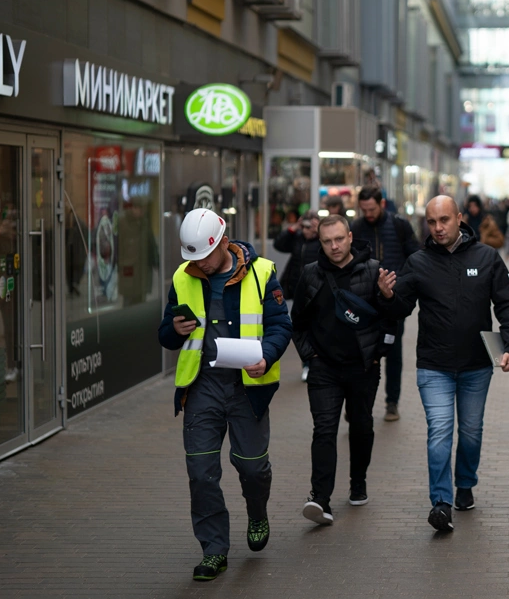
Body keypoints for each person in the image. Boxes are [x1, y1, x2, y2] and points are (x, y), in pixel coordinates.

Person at [158, 209, 292, 582]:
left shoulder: (262, 272)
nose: (198, 262)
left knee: (251, 466)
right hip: (202, 389)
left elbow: (281, 325)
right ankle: (214, 550)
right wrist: (175, 328)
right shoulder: (183, 278)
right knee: (201, 473)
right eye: (192, 256)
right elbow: (166, 335)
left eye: (204, 254)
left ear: (222, 241)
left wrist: (266, 356)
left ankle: (257, 512)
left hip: (247, 389)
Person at [380, 196, 509, 532]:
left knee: (471, 432)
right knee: (440, 431)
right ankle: (441, 503)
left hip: (476, 365)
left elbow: (507, 304)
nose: (438, 228)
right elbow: (400, 306)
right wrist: (387, 295)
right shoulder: (418, 261)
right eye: (431, 222)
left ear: (459, 218)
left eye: (444, 220)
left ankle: (465, 484)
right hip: (434, 365)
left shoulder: (486, 257)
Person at [289, 215, 398, 525]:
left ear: (350, 237)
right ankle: (320, 498)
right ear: (320, 243)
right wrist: (310, 356)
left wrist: (380, 352)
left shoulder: (374, 270)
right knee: (324, 429)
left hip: (363, 367)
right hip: (324, 369)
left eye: (339, 239)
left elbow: (391, 316)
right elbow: (297, 322)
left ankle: (358, 482)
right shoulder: (311, 274)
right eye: (327, 241)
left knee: (362, 426)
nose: (334, 246)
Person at [350, 185, 420, 422]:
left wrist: (403, 285)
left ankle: (392, 402)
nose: (368, 214)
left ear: (380, 204)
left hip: (393, 301)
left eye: (371, 209)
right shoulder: (356, 228)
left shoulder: (400, 226)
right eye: (364, 209)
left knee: (393, 352)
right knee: (360, 353)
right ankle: (358, 405)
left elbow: (415, 256)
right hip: (364, 303)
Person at [274, 212, 321, 381]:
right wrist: (293, 228)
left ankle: (315, 363)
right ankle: (307, 364)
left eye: (310, 227)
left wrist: (320, 231)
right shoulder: (298, 238)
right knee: (301, 328)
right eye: (305, 226)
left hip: (316, 291)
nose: (307, 230)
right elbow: (279, 244)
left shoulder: (322, 241)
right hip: (297, 289)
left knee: (314, 328)